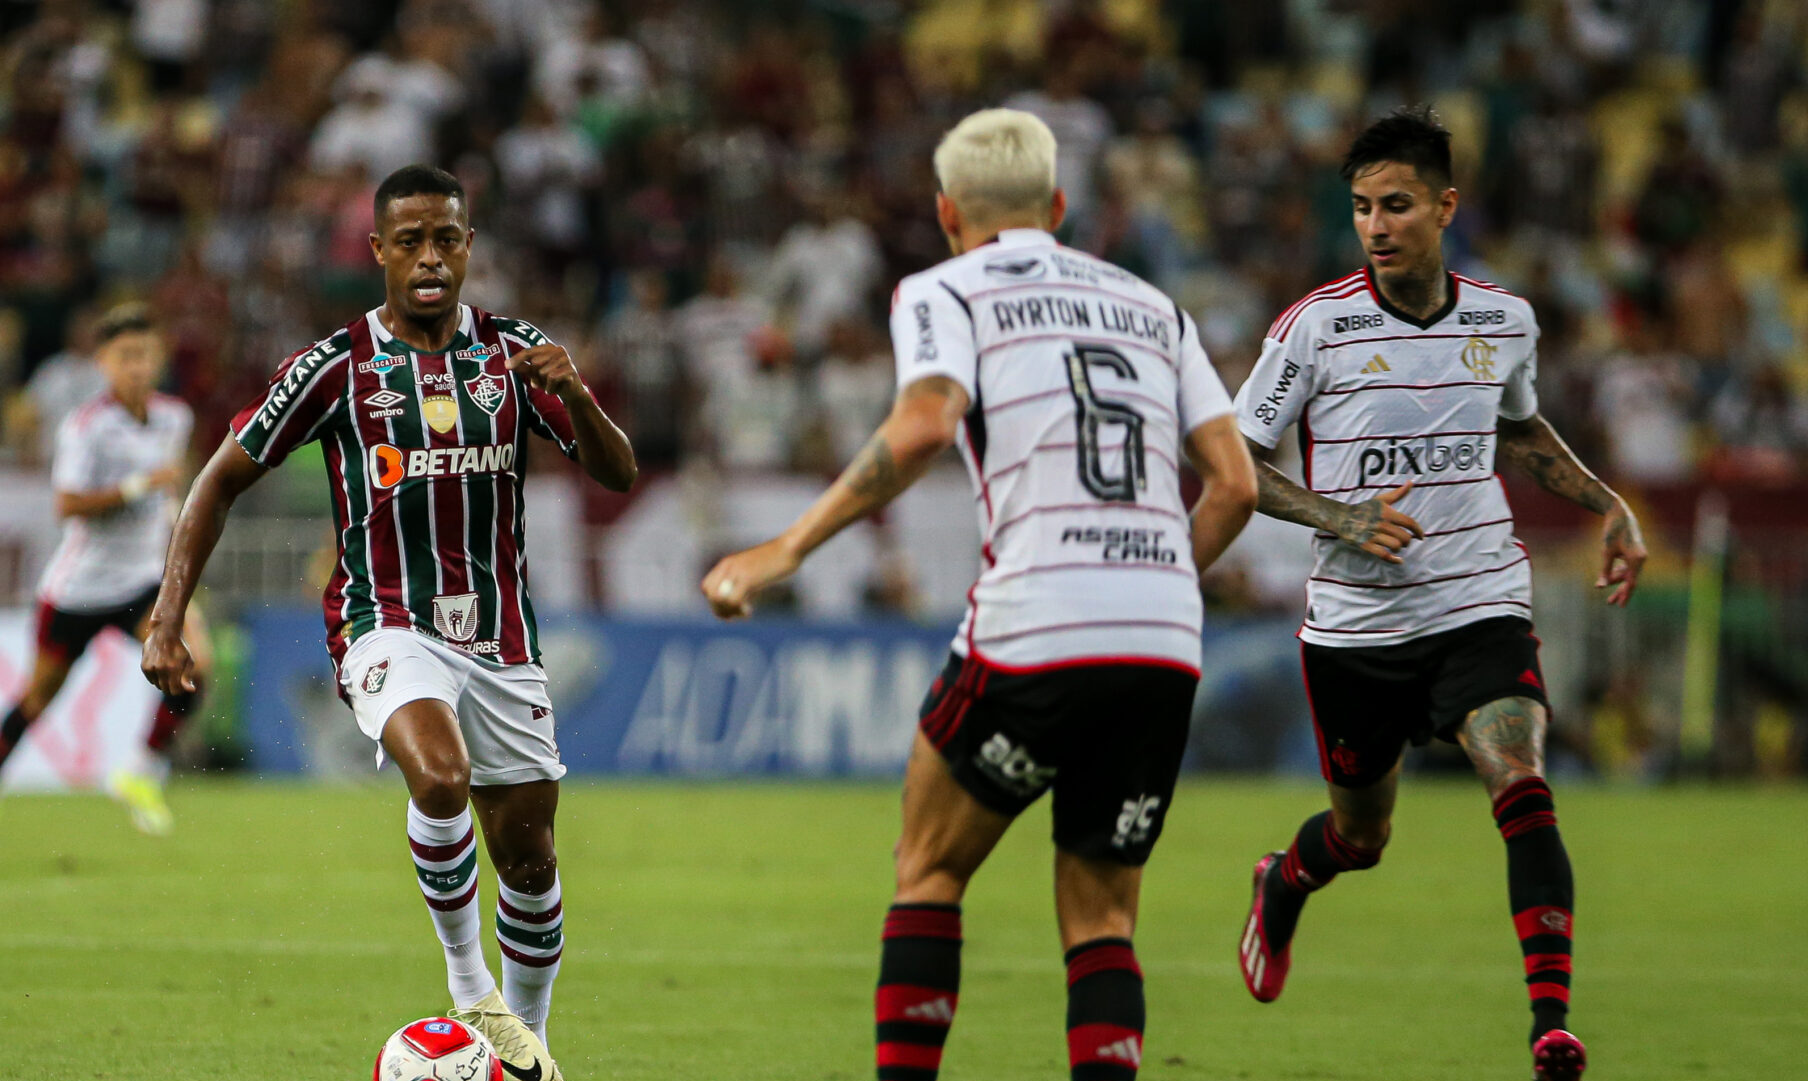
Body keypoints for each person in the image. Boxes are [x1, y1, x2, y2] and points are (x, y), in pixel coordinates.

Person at [700, 109, 1258, 1081]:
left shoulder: (943, 289)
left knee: (929, 867)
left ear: (947, 210)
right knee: (1102, 914)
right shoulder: (1155, 304)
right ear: (1059, 206)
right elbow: (1238, 484)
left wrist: (784, 549)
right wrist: (1154, 575)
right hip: (1165, 635)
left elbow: (923, 426)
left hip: (1035, 620)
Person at [140, 164, 637, 1081]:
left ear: (469, 246)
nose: (429, 256)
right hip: (385, 623)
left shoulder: (517, 353)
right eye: (408, 239)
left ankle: (524, 1049)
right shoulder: (335, 367)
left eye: (445, 237)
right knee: (438, 774)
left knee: (528, 857)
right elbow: (217, 479)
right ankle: (468, 983)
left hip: (502, 642)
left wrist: (577, 395)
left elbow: (619, 474)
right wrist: (167, 617)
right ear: (377, 251)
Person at [1229, 107, 1648, 1081]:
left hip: (1478, 603)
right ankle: (1284, 879)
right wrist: (1339, 517)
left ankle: (1551, 1023)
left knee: (1522, 780)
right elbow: (1235, 465)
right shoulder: (1314, 328)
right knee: (1361, 836)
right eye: (1363, 207)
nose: (1376, 225)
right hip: (1357, 628)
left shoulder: (1504, 320)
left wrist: (1609, 502)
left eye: (1397, 205)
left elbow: (1522, 432)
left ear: (1445, 207)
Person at [0, 303, 211, 860]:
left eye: (144, 355)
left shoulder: (175, 417)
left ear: (159, 358)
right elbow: (67, 504)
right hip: (78, 591)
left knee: (194, 665)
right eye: (124, 357)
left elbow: (170, 498)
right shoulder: (86, 427)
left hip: (142, 583)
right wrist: (137, 486)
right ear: (103, 363)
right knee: (38, 698)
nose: (137, 367)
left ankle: (140, 770)